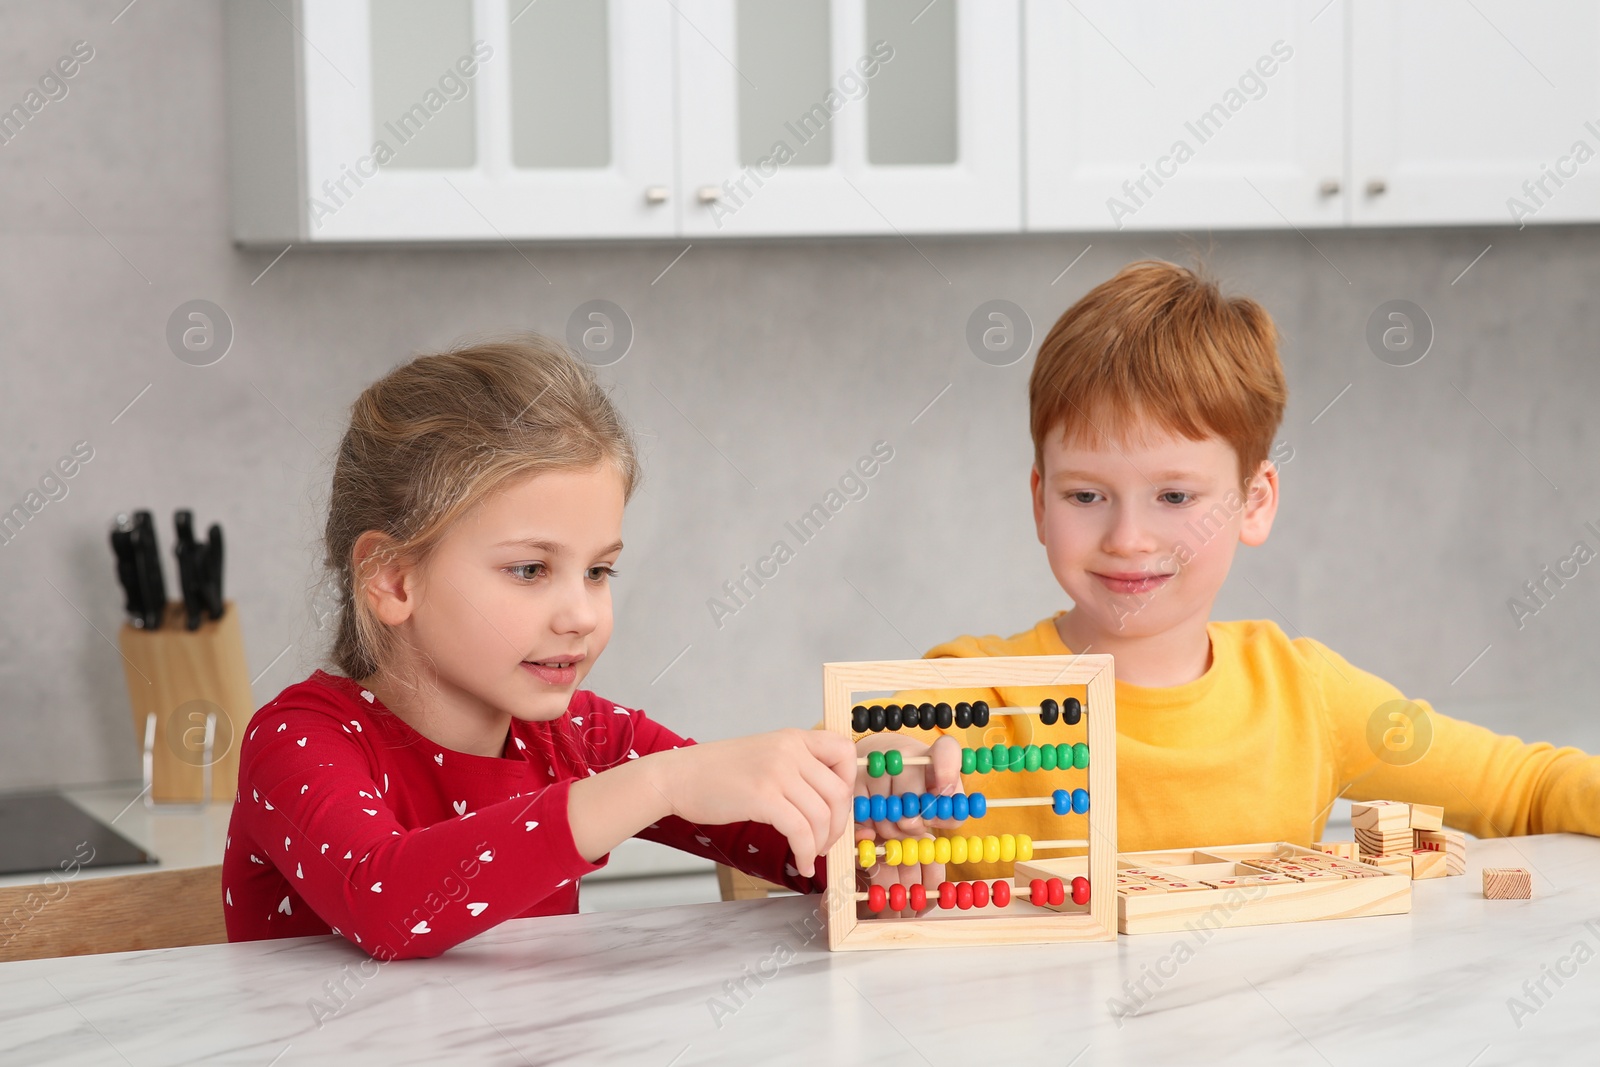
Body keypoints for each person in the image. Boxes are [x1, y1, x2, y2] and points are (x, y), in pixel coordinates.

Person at [869, 259, 1600, 886]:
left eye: (1175, 496)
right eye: (1086, 495)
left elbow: (1526, 785)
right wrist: (877, 768)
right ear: (1039, 502)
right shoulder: (974, 700)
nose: (1128, 537)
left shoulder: (1306, 695)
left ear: (1254, 503)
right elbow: (803, 792)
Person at [222, 337, 888, 959]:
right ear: (393, 577)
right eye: (530, 570)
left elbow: (804, 853)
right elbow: (391, 903)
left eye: (599, 572)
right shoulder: (297, 740)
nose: (580, 615)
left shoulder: (585, 738)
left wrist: (883, 809)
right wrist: (661, 782)